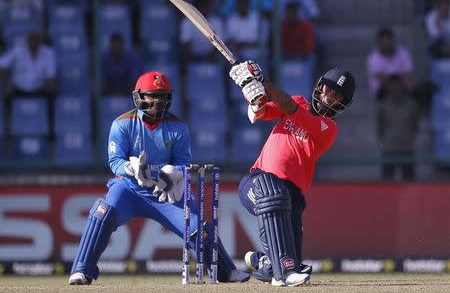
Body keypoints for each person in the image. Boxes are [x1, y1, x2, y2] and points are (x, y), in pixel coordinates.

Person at [68, 71, 250, 285]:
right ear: (139, 97)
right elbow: (114, 161)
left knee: (195, 226)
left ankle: (226, 271)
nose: (157, 101)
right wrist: (131, 167)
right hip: (129, 189)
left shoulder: (178, 127)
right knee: (102, 212)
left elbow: (183, 162)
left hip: (164, 191)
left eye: (162, 96)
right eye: (151, 95)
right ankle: (81, 270)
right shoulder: (122, 124)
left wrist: (175, 174)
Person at [229, 61, 355, 286]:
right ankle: (282, 273)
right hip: (258, 180)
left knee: (292, 261)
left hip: (291, 196)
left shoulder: (328, 128)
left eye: (336, 95)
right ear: (319, 87)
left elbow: (288, 108)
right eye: (327, 89)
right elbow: (264, 111)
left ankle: (264, 262)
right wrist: (254, 94)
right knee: (273, 197)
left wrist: (262, 81)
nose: (328, 96)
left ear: (342, 103)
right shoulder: (298, 101)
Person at [377, 74, 418, 181]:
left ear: (402, 86)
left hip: (407, 147)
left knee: (409, 180)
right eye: (392, 85)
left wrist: (408, 135)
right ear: (388, 87)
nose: (395, 88)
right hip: (389, 147)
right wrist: (386, 140)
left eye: (398, 85)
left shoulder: (411, 105)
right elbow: (380, 126)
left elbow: (415, 125)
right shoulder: (382, 106)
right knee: (387, 180)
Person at [367, 27, 414, 101]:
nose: (386, 43)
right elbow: (381, 78)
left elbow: (408, 74)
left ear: (393, 40)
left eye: (388, 40)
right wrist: (395, 87)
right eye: (383, 41)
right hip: (382, 90)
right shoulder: (373, 57)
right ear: (378, 42)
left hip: (402, 87)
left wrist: (403, 86)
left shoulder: (403, 53)